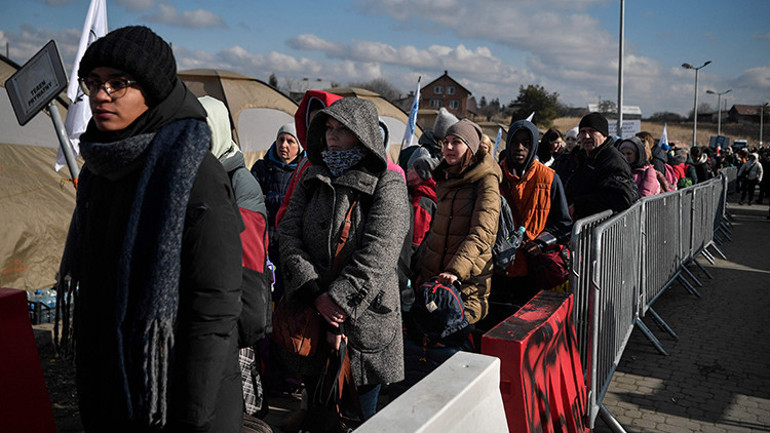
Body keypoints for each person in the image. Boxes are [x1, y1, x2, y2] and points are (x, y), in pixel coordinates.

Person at [57, 26, 244, 432]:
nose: (100, 95)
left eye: (118, 83)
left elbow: (213, 304)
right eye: (93, 83)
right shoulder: (101, 165)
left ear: (153, 88)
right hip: (115, 386)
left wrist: (190, 416)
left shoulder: (194, 170)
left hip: (178, 395)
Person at [278, 98, 410, 421]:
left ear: (362, 134)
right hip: (310, 319)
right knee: (317, 416)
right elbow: (288, 235)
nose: (332, 137)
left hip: (364, 328)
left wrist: (336, 306)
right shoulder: (312, 174)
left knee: (355, 420)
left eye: (342, 130)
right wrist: (314, 294)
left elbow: (378, 255)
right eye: (328, 129)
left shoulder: (387, 182)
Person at [199, 96, 272, 428]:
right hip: (206, 303)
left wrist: (246, 322)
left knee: (236, 404)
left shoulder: (241, 182)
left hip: (232, 309)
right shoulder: (199, 172)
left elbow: (250, 259)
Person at [480, 119, 572, 329]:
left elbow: (564, 223)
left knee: (524, 329)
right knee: (494, 325)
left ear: (534, 147)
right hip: (494, 268)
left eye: (526, 143)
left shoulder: (550, 179)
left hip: (531, 271)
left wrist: (540, 243)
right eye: (515, 142)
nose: (519, 148)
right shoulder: (493, 176)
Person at [417, 118, 501, 326]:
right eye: (445, 142)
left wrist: (455, 271)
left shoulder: (486, 181)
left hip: (466, 281)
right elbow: (437, 229)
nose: (448, 147)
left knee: (459, 347)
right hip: (436, 280)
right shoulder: (446, 178)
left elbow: (482, 233)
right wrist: (421, 268)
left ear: (470, 147)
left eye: (456, 142)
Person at [565, 112, 639, 220]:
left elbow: (623, 197)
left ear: (604, 134)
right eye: (583, 132)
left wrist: (579, 205)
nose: (586, 136)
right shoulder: (583, 157)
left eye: (592, 131)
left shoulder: (613, 160)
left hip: (600, 230)